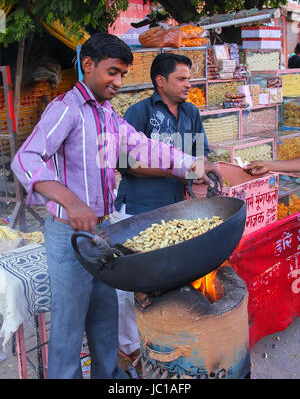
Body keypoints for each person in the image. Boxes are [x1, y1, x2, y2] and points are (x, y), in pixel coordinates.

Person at [11, 33, 214, 379]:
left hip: (103, 233)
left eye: (122, 74)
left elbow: (144, 148)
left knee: (105, 316)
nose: (118, 82)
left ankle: (109, 376)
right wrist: (71, 202)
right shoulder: (66, 109)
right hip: (68, 236)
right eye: (113, 72)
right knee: (69, 325)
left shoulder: (107, 114)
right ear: (87, 65)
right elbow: (25, 159)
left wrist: (197, 166)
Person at [111, 52, 220, 363]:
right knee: (131, 282)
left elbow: (201, 155)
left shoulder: (191, 113)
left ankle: (160, 341)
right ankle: (129, 348)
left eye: (189, 78)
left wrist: (205, 172)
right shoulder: (139, 112)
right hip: (138, 211)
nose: (189, 84)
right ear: (161, 81)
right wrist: (179, 170)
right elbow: (126, 164)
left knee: (164, 278)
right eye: (181, 79)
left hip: (177, 211)